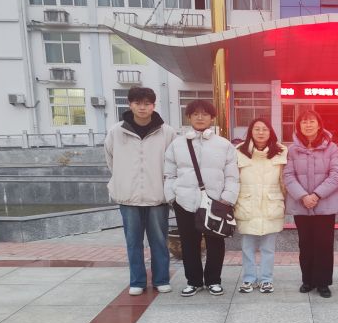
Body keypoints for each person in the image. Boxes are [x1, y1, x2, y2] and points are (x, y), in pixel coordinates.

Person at [104, 86, 176, 296]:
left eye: (147, 103)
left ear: (153, 105)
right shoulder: (117, 131)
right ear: (130, 104)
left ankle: (161, 279)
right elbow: (110, 159)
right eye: (137, 103)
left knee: (159, 241)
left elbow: (173, 163)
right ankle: (137, 281)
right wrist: (124, 180)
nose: (142, 108)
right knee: (133, 242)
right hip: (128, 197)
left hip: (157, 196)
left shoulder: (167, 132)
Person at [164, 100, 239, 297]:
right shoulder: (177, 144)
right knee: (189, 243)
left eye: (205, 114)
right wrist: (172, 197)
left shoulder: (224, 145)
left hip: (216, 202)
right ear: (189, 117)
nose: (200, 117)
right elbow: (169, 174)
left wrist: (227, 197)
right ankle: (194, 281)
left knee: (216, 243)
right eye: (195, 114)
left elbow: (232, 175)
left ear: (212, 118)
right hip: (185, 202)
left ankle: (214, 280)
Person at [284, 109, 338, 298]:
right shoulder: (292, 150)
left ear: (319, 125)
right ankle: (307, 280)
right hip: (301, 205)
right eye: (304, 122)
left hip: (325, 205)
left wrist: (317, 195)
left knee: (324, 245)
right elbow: (288, 176)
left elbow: (337, 175)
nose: (308, 125)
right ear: (299, 126)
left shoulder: (331, 148)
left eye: (312, 121)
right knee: (305, 244)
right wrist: (303, 196)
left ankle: (323, 283)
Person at [234, 118, 288, 294]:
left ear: (270, 132)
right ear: (250, 131)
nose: (260, 132)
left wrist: (286, 201)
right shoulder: (239, 151)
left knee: (268, 248)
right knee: (247, 248)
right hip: (246, 203)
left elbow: (284, 180)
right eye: (256, 129)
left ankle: (266, 280)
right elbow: (234, 178)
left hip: (271, 203)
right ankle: (248, 279)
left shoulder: (281, 151)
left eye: (265, 129)